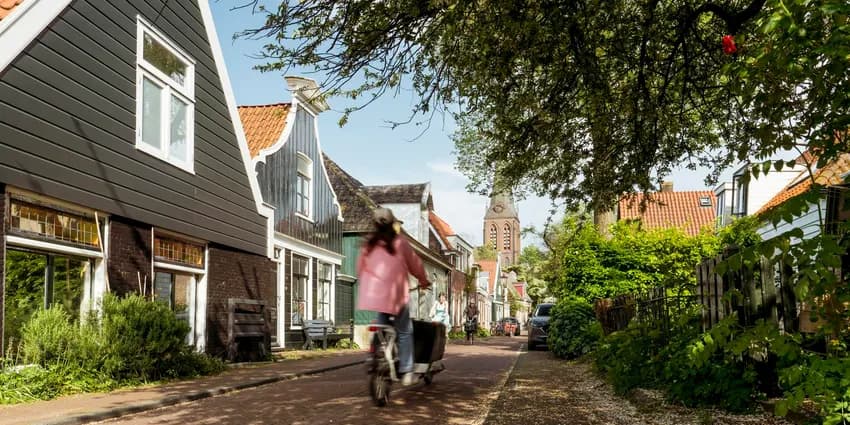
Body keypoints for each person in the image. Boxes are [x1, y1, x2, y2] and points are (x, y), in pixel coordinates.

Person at [357, 208, 430, 386]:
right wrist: (423, 280)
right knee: (405, 331)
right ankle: (406, 370)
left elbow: (360, 268)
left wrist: (366, 284)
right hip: (396, 296)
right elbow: (416, 265)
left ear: (374, 225)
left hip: (373, 294)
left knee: (380, 325)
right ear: (392, 224)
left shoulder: (368, 244)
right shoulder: (400, 243)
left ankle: (373, 356)